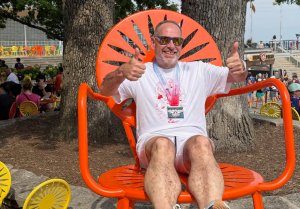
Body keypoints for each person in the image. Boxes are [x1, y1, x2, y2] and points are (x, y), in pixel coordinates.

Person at [100, 20, 247, 209]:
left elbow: (236, 77)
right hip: (154, 146)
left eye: (176, 41)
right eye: (164, 40)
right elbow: (105, 90)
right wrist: (120, 72)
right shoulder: (139, 73)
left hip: (192, 150)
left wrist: (241, 67)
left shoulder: (198, 70)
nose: (170, 46)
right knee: (163, 145)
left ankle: (212, 205)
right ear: (154, 42)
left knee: (201, 143)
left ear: (182, 45)